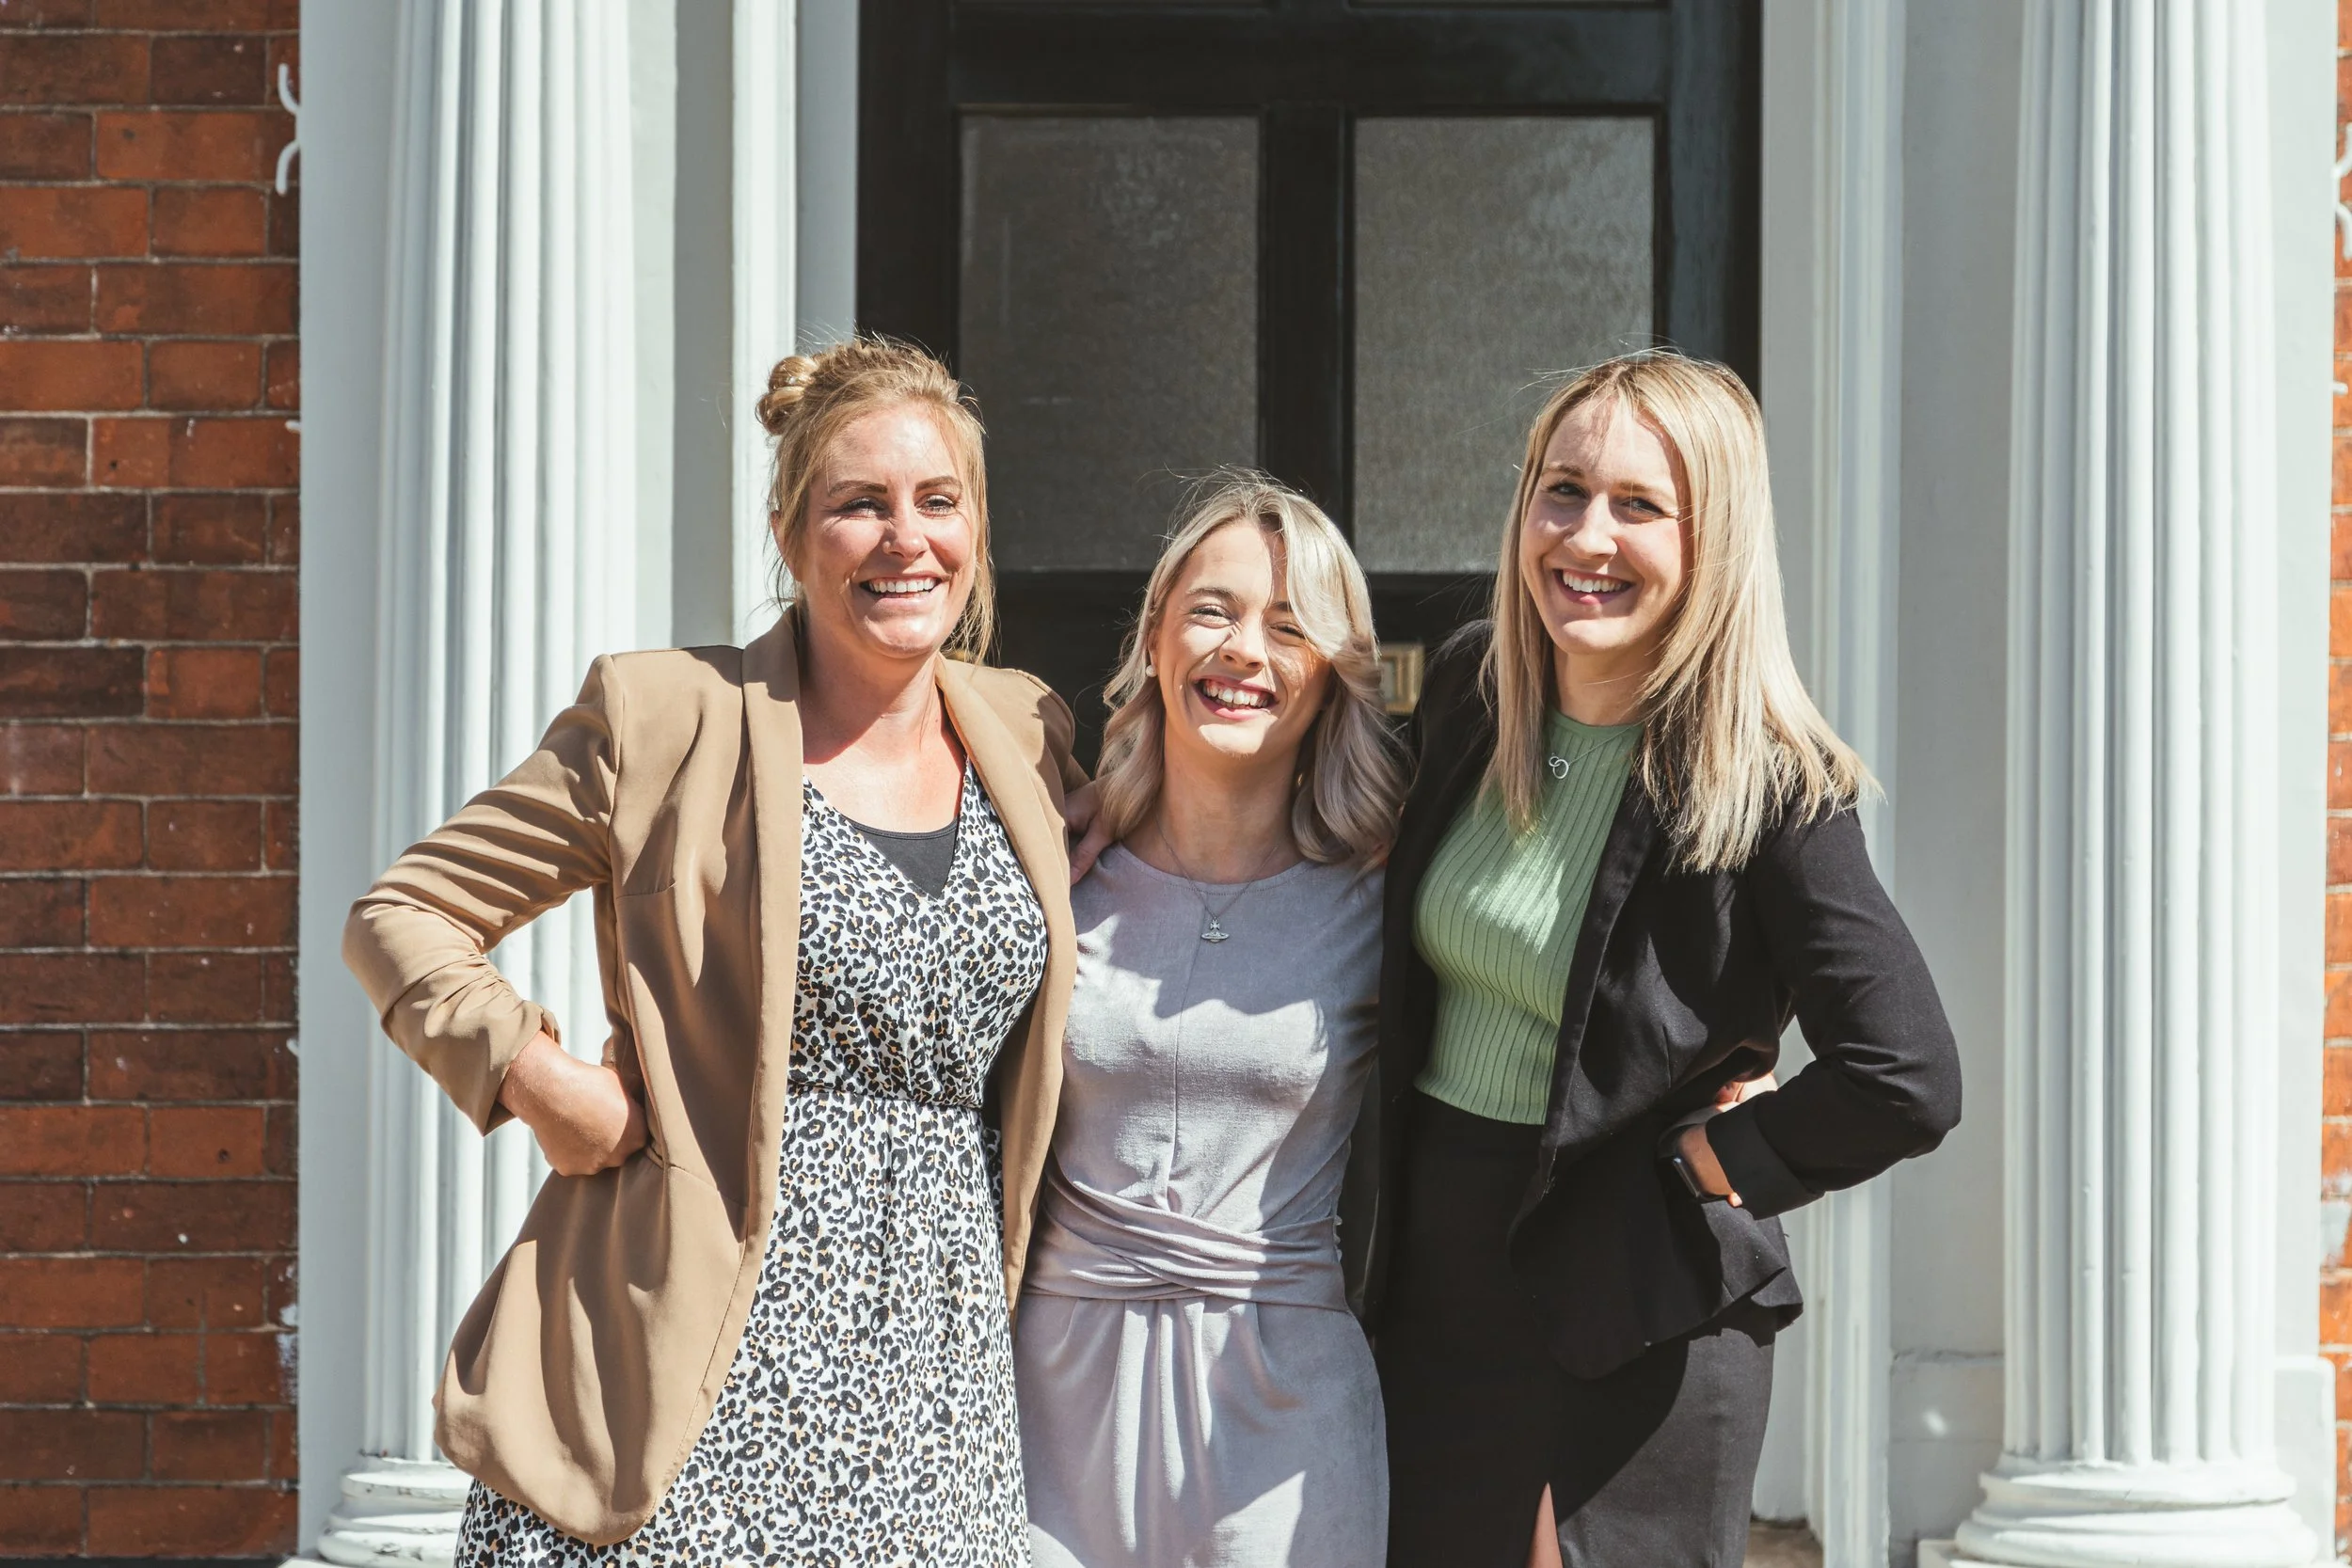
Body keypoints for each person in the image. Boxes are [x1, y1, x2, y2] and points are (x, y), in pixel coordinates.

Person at [342, 336, 1086, 1565]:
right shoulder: (663, 715)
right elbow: (404, 913)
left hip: (934, 1381)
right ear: (793, 535)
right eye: (860, 504)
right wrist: (540, 1077)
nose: (908, 538)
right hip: (692, 1363)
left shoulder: (1024, 726)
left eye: (937, 501)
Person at [1363, 352, 1963, 1567]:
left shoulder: (1770, 781)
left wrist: (1719, 1154)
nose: (1587, 534)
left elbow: (1908, 1072)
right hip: (1438, 1283)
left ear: (1713, 538)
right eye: (1563, 488)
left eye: (1640, 503)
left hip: (1634, 1286)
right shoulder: (1478, 692)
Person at [1014, 476, 1405, 1568]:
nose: (1244, 649)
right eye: (1212, 609)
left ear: (1332, 673)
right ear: (1153, 633)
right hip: (1050, 1394)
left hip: (1285, 1400)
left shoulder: (1384, 904)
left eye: (1289, 626)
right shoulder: (1051, 871)